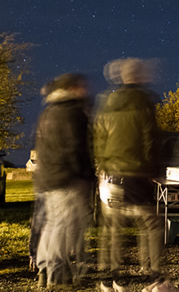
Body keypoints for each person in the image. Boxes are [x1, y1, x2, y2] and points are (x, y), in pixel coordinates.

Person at [94, 58, 178, 292]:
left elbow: (99, 137)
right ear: (138, 76)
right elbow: (150, 138)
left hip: (110, 175)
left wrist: (102, 165)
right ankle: (155, 279)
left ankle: (112, 281)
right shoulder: (143, 101)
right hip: (135, 174)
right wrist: (153, 170)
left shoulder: (107, 101)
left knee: (112, 230)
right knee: (152, 225)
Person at [34, 73, 95, 287]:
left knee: (52, 225)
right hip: (67, 178)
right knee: (63, 227)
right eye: (81, 86)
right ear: (72, 88)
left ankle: (44, 267)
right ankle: (57, 275)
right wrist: (86, 175)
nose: (85, 90)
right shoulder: (73, 113)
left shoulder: (48, 112)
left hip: (48, 178)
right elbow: (76, 148)